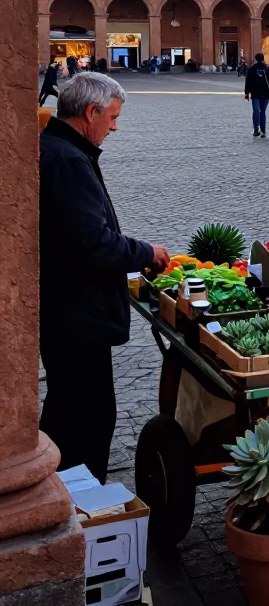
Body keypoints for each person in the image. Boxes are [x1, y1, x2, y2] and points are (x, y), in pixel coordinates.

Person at [39, 74, 170, 481]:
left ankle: (57, 488)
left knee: (66, 409)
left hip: (66, 310)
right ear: (90, 113)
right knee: (87, 420)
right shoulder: (68, 160)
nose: (115, 126)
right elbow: (93, 242)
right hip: (77, 314)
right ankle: (79, 503)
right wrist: (146, 253)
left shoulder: (59, 148)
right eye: (112, 117)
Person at [244, 52, 269, 137]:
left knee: (256, 111)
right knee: (263, 111)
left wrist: (246, 93)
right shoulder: (267, 68)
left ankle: (255, 129)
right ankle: (263, 130)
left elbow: (248, 82)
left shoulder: (252, 69)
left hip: (255, 93)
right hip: (265, 93)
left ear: (255, 59)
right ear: (263, 58)